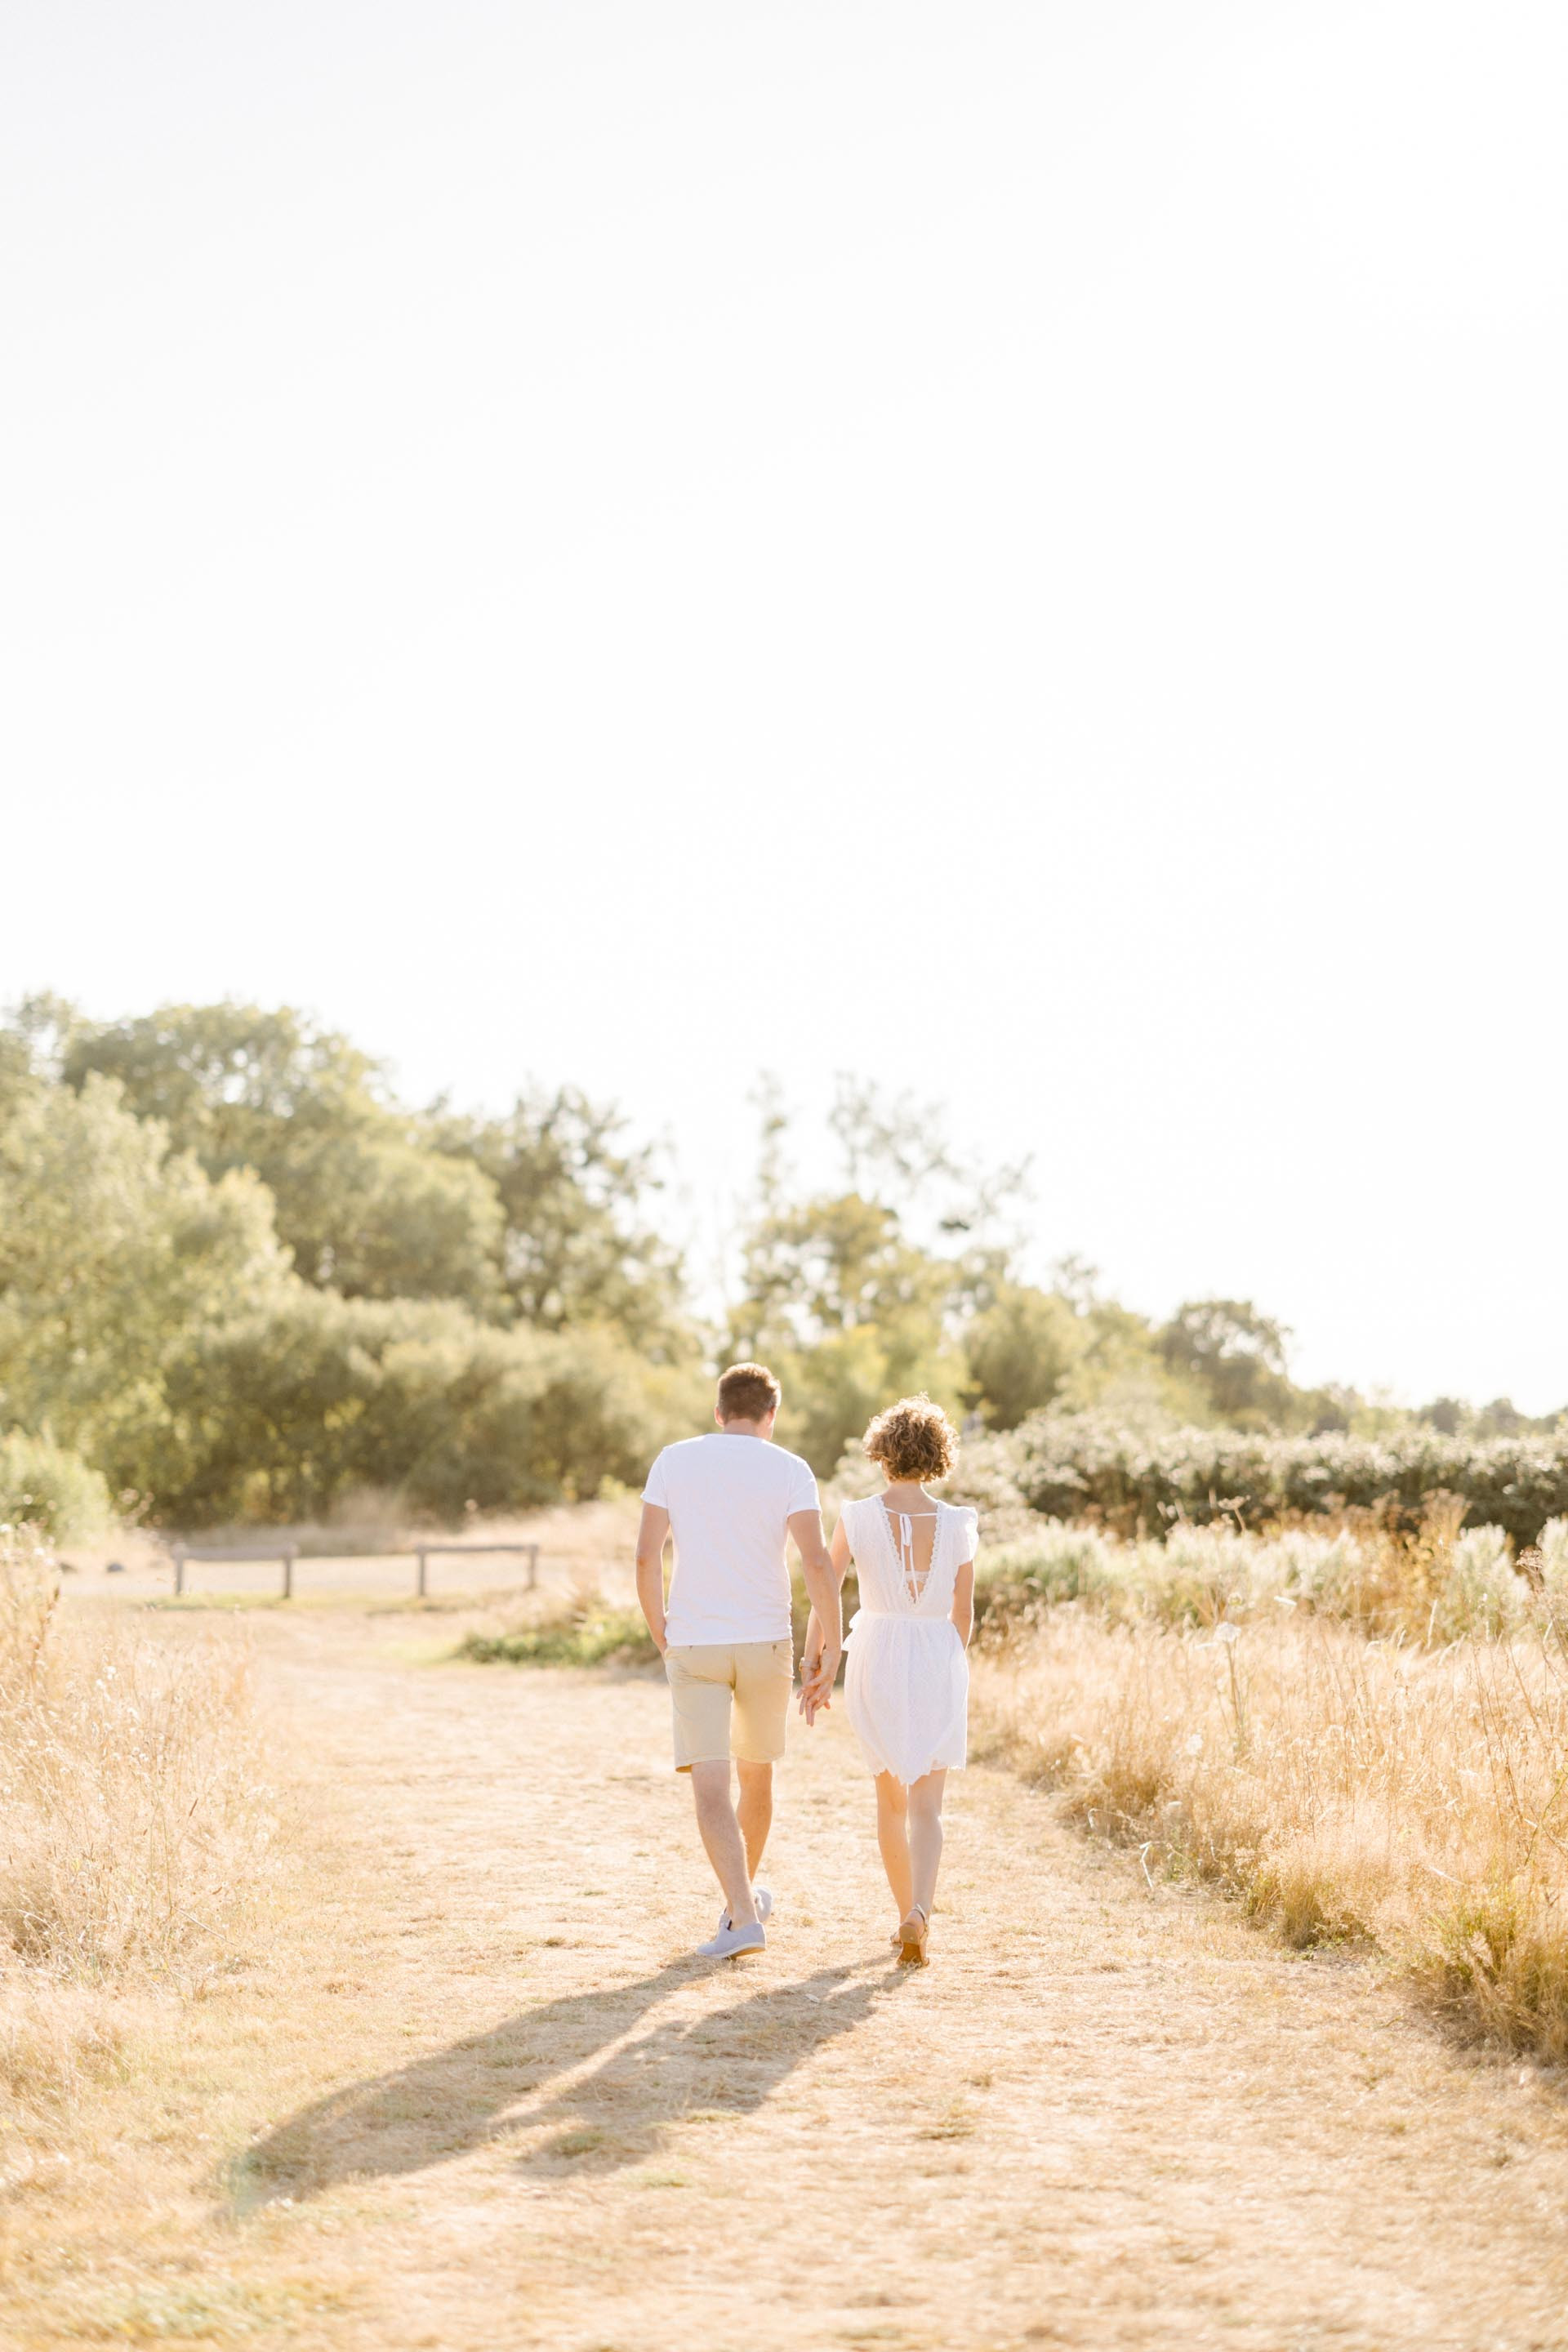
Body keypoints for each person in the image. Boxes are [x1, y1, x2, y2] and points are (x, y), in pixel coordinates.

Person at [635, 1361, 842, 1959]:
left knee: (710, 1787)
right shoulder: (791, 1468)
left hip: (694, 1642)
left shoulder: (674, 1459)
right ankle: (741, 1909)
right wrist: (830, 1646)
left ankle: (743, 1915)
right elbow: (817, 1563)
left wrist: (661, 1632)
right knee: (757, 1776)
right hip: (766, 1644)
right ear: (771, 1416)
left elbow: (646, 1557)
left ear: (718, 1412)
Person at [800, 1394, 976, 1965]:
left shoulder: (856, 1517)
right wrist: (946, 1664)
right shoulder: (958, 1524)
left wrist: (814, 1661)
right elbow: (963, 1613)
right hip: (937, 1653)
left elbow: (826, 1593)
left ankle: (905, 1914)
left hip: (875, 1653)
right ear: (937, 1455)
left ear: (882, 1452)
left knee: (890, 1802)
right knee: (928, 1805)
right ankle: (919, 1913)